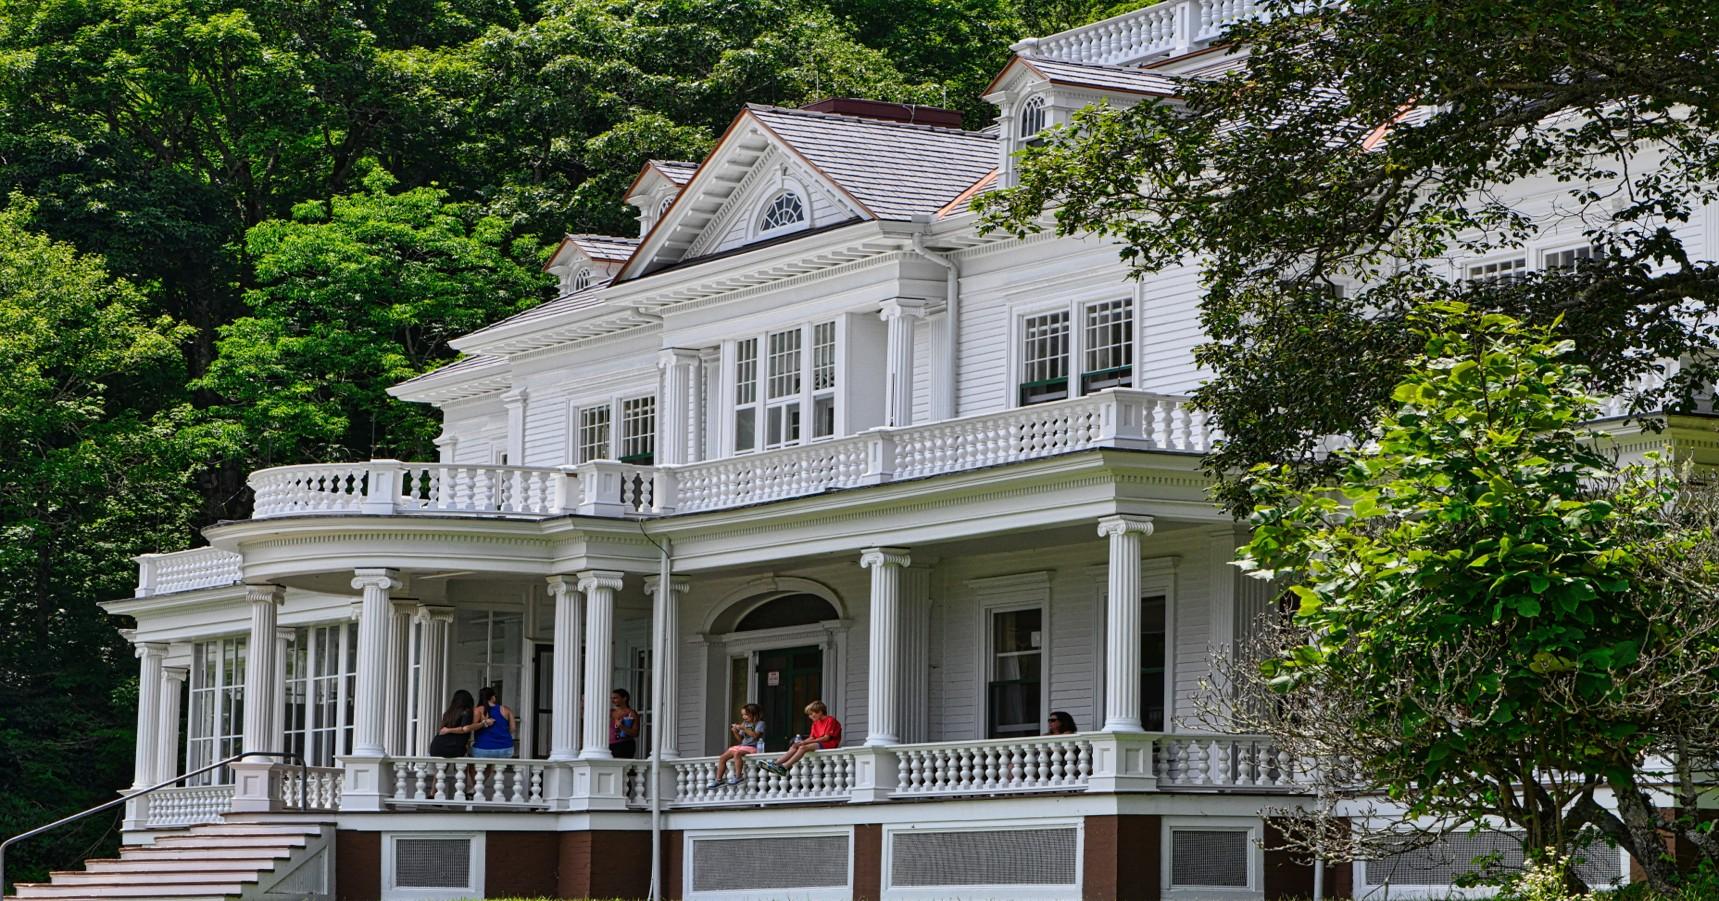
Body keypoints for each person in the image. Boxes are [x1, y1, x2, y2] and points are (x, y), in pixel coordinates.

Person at [759, 700, 840, 775]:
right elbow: (812, 737)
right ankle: (775, 764)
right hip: (818, 743)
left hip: (829, 743)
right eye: (809, 715)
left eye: (812, 714)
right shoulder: (815, 723)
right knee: (795, 746)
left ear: (820, 712)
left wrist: (804, 743)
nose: (810, 716)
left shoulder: (830, 720)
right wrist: (800, 742)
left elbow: (826, 738)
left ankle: (784, 767)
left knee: (803, 747)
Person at [708, 704, 766, 788]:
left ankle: (738, 776)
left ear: (754, 714)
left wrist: (743, 728)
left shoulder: (760, 723)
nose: (744, 717)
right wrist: (735, 732)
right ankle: (719, 779)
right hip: (743, 746)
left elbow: (755, 736)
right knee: (723, 757)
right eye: (742, 715)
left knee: (737, 753)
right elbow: (740, 739)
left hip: (753, 747)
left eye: (746, 714)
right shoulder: (745, 723)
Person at [428, 690, 491, 758]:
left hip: (435, 746)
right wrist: (483, 723)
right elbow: (464, 728)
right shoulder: (466, 712)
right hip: (452, 747)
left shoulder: (448, 713)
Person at [470, 686, 517, 759]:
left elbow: (471, 727)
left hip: (483, 749)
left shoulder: (478, 710)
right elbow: (513, 729)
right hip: (506, 748)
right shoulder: (506, 709)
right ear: (492, 697)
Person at [609, 689, 640, 759]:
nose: (612, 701)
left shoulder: (631, 713)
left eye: (615, 698)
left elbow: (636, 733)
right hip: (608, 745)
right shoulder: (611, 712)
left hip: (624, 745)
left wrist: (622, 727)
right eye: (612, 698)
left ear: (624, 698)